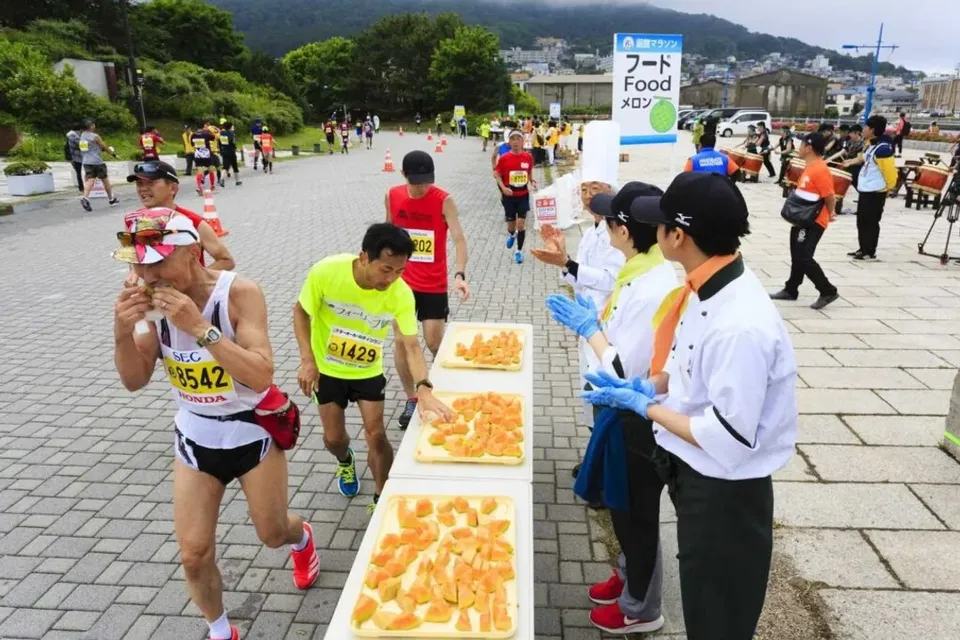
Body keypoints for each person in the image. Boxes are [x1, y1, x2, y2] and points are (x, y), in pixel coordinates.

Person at [582, 171, 798, 640]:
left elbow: (729, 435)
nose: (654, 235)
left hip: (724, 487)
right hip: (693, 467)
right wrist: (651, 386)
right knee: (702, 597)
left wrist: (644, 407)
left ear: (676, 236)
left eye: (659, 226)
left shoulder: (739, 323)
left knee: (716, 613)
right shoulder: (707, 287)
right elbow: (686, 371)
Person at [112, 208, 319, 640]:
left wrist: (199, 327)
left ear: (192, 252)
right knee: (193, 553)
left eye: (158, 260)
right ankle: (221, 631)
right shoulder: (148, 306)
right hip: (195, 436)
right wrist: (121, 332)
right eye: (139, 262)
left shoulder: (239, 292)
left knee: (272, 532)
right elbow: (135, 380)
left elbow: (260, 374)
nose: (147, 273)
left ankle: (301, 539)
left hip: (250, 431)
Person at [547, 181, 679, 635]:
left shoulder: (652, 286)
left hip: (636, 414)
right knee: (621, 508)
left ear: (624, 231)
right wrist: (596, 322)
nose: (604, 228)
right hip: (615, 406)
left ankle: (641, 608)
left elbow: (626, 367)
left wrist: (591, 330)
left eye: (609, 222)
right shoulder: (636, 271)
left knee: (635, 512)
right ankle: (628, 576)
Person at [293, 224, 453, 511]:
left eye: (400, 271)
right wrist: (307, 359)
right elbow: (301, 312)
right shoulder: (326, 272)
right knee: (333, 438)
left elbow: (411, 346)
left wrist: (423, 388)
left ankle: (381, 497)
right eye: (386, 269)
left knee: (376, 434)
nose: (392, 278)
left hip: (367, 371)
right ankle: (345, 460)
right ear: (364, 256)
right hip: (327, 370)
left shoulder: (401, 294)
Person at [532, 129, 625, 429]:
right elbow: (580, 278)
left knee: (604, 390)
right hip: (587, 322)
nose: (588, 197)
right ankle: (591, 453)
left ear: (612, 189)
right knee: (587, 388)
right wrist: (564, 261)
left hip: (610, 327)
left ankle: (601, 460)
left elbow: (612, 280)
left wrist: (568, 263)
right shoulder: (591, 230)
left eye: (595, 189)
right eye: (584, 189)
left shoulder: (621, 232)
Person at [386, 151, 470, 429]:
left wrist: (459, 273)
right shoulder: (393, 196)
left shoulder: (443, 200)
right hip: (401, 285)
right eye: (417, 182)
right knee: (401, 341)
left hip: (434, 284)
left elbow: (458, 239)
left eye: (427, 181)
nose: (423, 187)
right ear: (404, 176)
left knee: (434, 342)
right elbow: (387, 234)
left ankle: (445, 386)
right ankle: (412, 398)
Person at [769, 132, 839, 310]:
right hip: (802, 218)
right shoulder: (810, 166)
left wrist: (830, 214)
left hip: (813, 221)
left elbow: (830, 197)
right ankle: (791, 289)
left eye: (801, 146)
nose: (798, 148)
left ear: (808, 148)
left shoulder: (820, 169)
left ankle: (827, 290)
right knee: (797, 254)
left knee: (804, 256)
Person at [125, 160, 235, 272]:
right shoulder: (132, 220)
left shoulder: (193, 222)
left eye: (151, 183)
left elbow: (226, 261)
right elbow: (134, 259)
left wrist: (193, 279)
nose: (143, 189)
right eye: (139, 183)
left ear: (172, 188)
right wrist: (134, 274)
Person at [844, 115, 897, 261]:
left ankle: (870, 251)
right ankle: (863, 248)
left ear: (872, 129)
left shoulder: (883, 149)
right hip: (866, 189)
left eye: (866, 127)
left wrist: (889, 188)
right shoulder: (871, 144)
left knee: (871, 222)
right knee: (861, 220)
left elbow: (890, 172)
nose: (863, 129)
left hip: (876, 191)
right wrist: (850, 161)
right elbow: (863, 157)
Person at [494, 130, 538, 264]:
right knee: (511, 225)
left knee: (521, 225)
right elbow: (497, 174)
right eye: (512, 139)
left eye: (518, 139)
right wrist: (503, 188)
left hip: (523, 195)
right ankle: (511, 234)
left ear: (523, 141)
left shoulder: (528, 157)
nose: (515, 142)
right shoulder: (504, 158)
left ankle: (518, 251)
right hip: (509, 195)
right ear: (509, 142)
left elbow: (529, 171)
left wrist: (532, 181)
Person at [79, 119, 120, 211]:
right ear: (91, 126)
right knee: (105, 180)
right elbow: (103, 147)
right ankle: (111, 199)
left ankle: (85, 198)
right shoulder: (95, 136)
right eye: (93, 124)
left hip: (86, 161)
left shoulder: (82, 136)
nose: (94, 126)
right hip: (97, 162)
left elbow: (87, 148)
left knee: (90, 180)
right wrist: (113, 154)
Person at [191, 125, 217, 195]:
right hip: (206, 155)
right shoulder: (206, 134)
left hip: (198, 155)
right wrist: (210, 130)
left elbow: (192, 144)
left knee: (199, 171)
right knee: (211, 170)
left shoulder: (193, 134)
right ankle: (212, 186)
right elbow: (213, 138)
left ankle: (199, 186)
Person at [218, 122, 242, 186]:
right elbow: (233, 143)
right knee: (235, 166)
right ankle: (238, 181)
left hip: (224, 151)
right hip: (231, 151)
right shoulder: (232, 134)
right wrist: (236, 148)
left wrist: (221, 150)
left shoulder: (221, 133)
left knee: (225, 166)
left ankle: (221, 178)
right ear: (230, 127)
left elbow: (219, 143)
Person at [204, 120, 224, 188]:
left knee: (217, 167)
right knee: (212, 167)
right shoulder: (209, 135)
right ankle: (203, 176)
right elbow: (219, 134)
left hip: (213, 152)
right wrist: (219, 130)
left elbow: (218, 135)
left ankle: (218, 179)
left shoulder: (212, 134)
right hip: (209, 153)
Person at [65, 124, 84, 192]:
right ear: (79, 129)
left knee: (78, 172)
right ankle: (81, 187)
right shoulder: (74, 136)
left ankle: (82, 187)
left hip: (76, 156)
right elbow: (82, 146)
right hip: (76, 157)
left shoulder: (72, 135)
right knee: (79, 173)